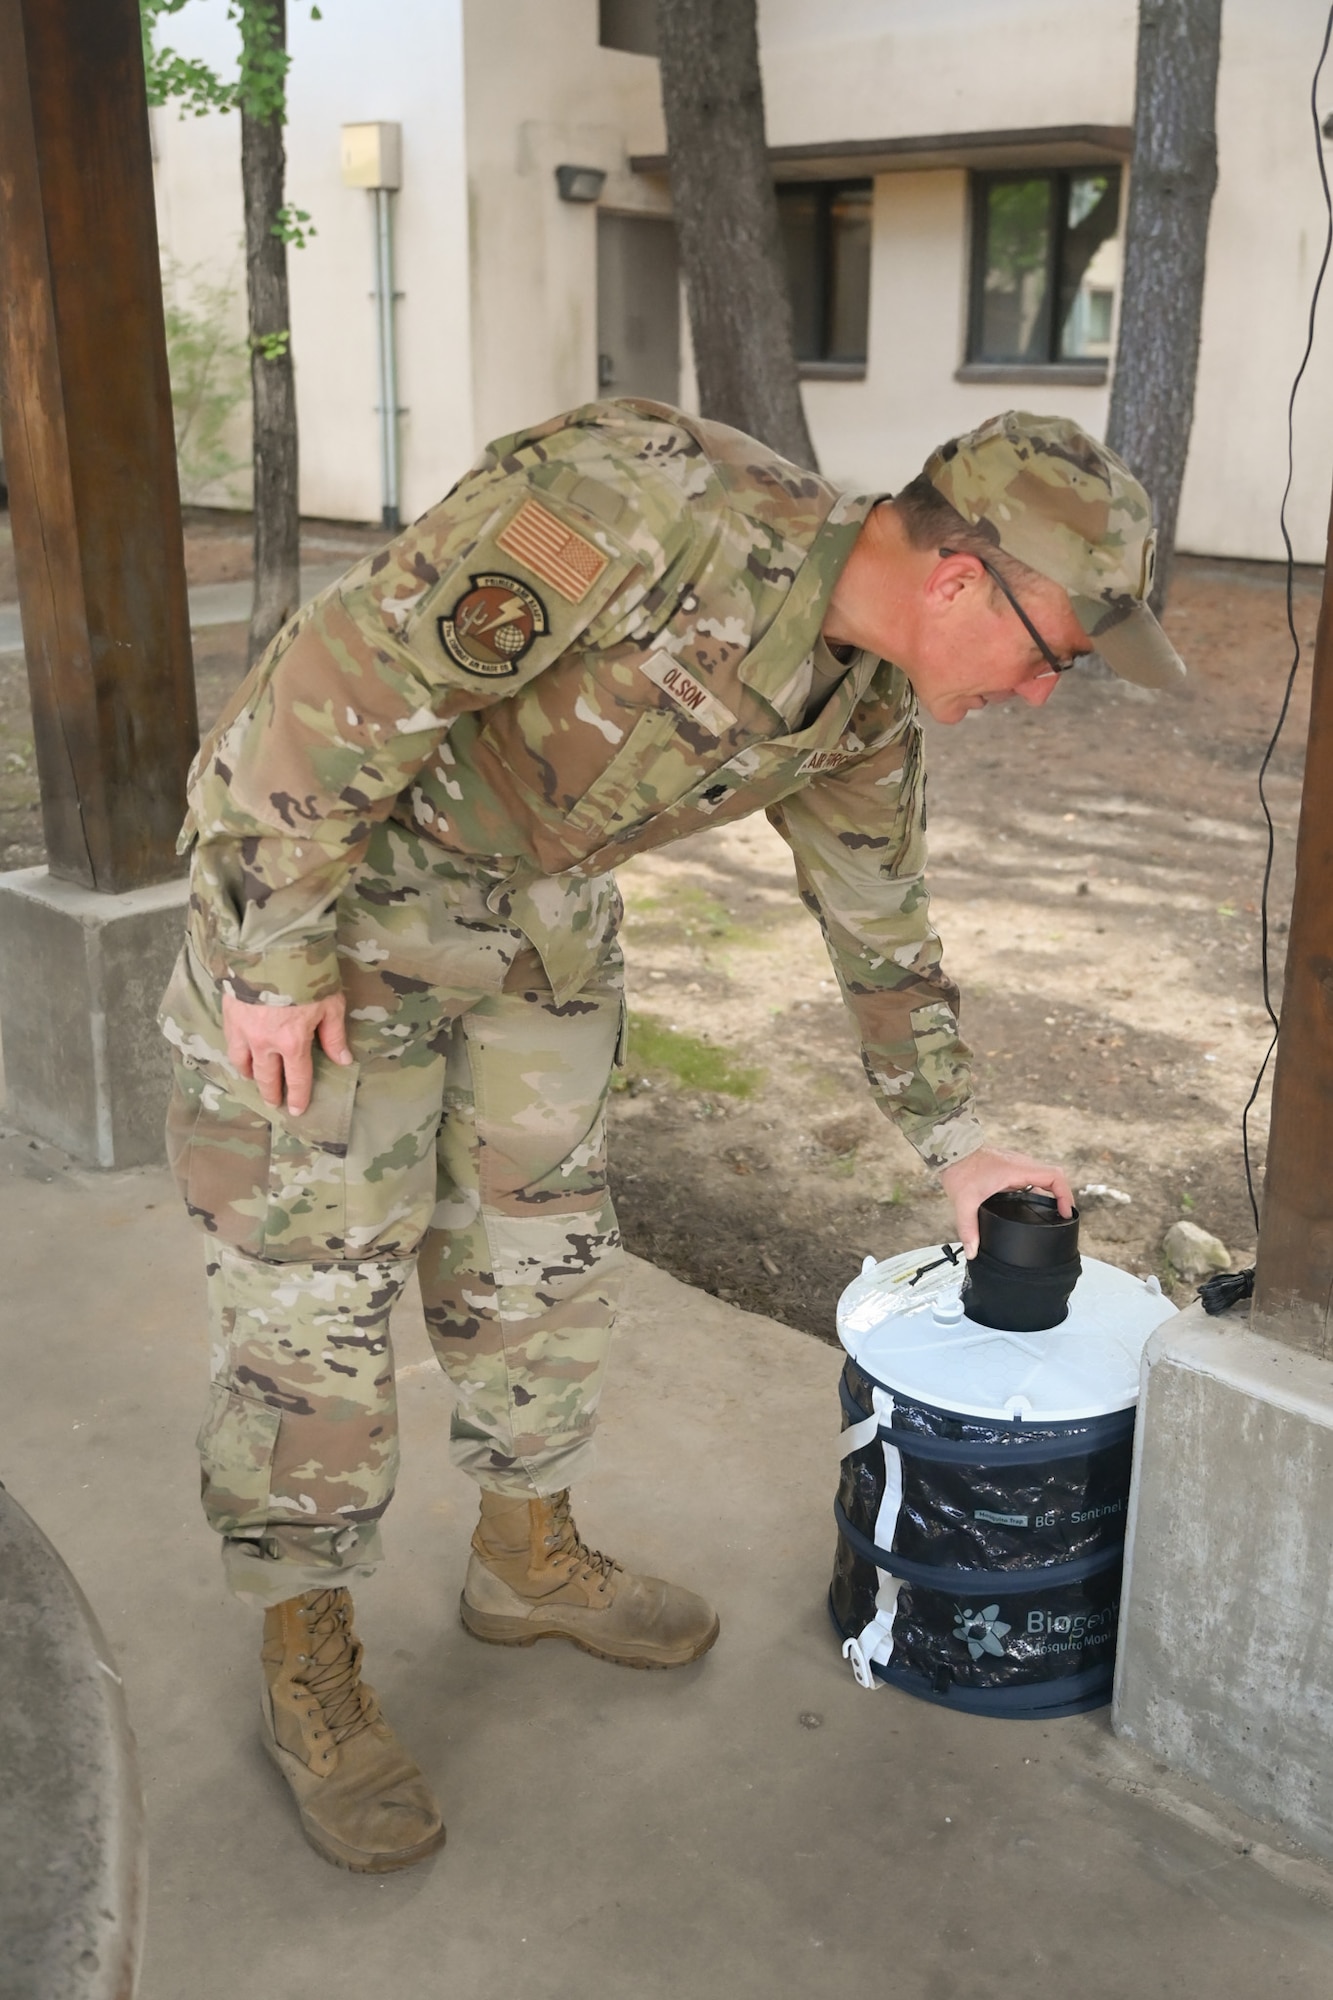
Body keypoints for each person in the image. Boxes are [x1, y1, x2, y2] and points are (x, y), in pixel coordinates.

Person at [160, 401, 1184, 1872]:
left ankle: (524, 1559)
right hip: (337, 883)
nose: (1039, 694)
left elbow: (880, 926)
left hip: (533, 916)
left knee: (541, 1262)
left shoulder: (863, 701)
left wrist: (954, 1137)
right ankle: (307, 1655)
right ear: (965, 584)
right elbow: (339, 678)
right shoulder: (635, 505)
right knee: (310, 1307)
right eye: (1054, 658)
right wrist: (267, 943)